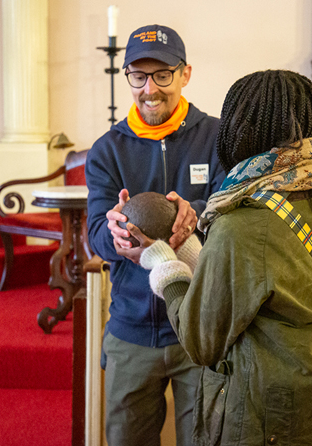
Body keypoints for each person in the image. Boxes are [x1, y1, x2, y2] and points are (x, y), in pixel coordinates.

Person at [132, 70, 312, 445]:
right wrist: (193, 251)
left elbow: (200, 340)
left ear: (239, 130)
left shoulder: (243, 220)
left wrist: (164, 263)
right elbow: (293, 281)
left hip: (273, 414)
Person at [85, 24, 226, 446]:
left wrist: (195, 214)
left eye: (163, 75)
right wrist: (116, 237)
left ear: (185, 74)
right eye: (138, 76)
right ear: (126, 76)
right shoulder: (107, 150)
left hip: (200, 328)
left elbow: (232, 210)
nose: (150, 89)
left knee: (205, 440)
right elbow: (96, 233)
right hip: (131, 330)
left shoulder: (218, 137)